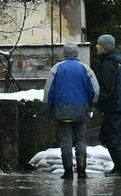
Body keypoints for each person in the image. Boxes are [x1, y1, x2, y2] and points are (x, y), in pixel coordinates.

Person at [42, 43, 99, 177]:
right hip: (81, 110)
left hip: (62, 110)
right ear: (77, 53)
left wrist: (48, 110)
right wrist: (91, 106)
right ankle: (81, 171)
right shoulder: (85, 69)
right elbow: (95, 90)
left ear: (64, 54)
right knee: (81, 140)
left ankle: (67, 172)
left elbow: (48, 91)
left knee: (66, 140)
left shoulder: (56, 69)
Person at [92, 33, 121, 176]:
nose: (96, 46)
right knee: (106, 137)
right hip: (115, 106)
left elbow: (107, 88)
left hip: (114, 107)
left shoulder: (109, 64)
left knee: (113, 138)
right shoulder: (113, 61)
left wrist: (96, 102)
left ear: (105, 47)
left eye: (99, 44)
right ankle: (118, 166)